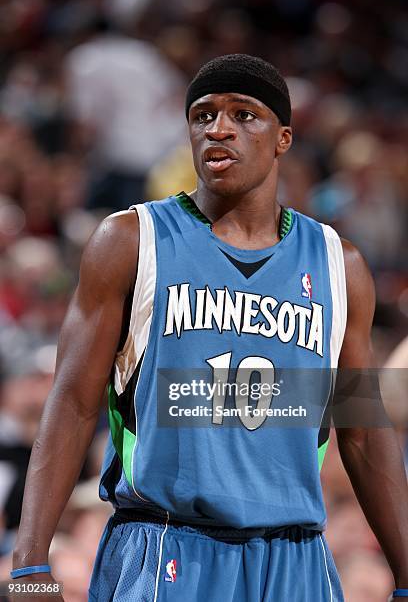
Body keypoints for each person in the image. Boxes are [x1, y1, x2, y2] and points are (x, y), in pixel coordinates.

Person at [11, 54, 408, 601]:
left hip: (296, 557)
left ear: (283, 138)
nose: (219, 128)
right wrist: (30, 563)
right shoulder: (131, 240)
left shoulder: (341, 266)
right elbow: (73, 402)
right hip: (168, 545)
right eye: (203, 116)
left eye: (244, 115)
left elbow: (362, 431)